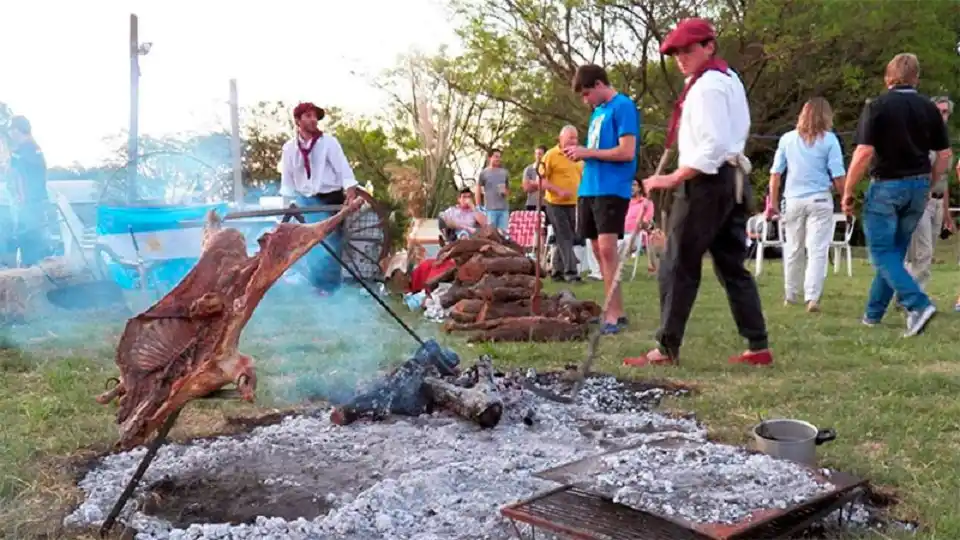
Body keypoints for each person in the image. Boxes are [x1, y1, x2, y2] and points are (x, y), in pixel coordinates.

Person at [629, 17, 771, 367]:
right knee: (730, 265)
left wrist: (673, 178)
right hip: (732, 181)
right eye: (676, 52)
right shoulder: (728, 78)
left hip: (707, 183)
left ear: (709, 46)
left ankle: (666, 348)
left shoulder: (708, 86)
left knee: (677, 263)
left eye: (688, 50)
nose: (681, 57)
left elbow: (712, 146)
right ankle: (758, 344)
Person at [841, 53, 951, 336]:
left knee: (880, 252)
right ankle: (872, 314)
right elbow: (944, 154)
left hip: (887, 186)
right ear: (916, 78)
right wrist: (931, 184)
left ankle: (917, 303)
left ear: (888, 77)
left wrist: (848, 189)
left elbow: (864, 152)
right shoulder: (929, 108)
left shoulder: (877, 106)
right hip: (918, 186)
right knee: (895, 252)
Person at [564, 64, 639, 334]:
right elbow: (594, 150)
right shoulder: (597, 113)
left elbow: (626, 151)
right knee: (597, 252)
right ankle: (610, 309)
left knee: (608, 250)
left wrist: (588, 153)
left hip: (612, 187)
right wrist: (579, 153)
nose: (586, 100)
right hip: (589, 188)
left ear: (598, 84)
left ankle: (616, 314)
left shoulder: (623, 106)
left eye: (587, 94)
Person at [767, 97, 846, 312]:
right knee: (817, 249)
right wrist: (846, 197)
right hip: (820, 198)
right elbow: (838, 174)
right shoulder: (829, 140)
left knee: (793, 248)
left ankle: (790, 294)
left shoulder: (787, 140)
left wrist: (772, 203)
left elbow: (775, 174)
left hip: (793, 200)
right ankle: (812, 297)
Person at [279, 102, 358, 292]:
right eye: (308, 116)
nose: (313, 120)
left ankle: (331, 288)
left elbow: (342, 167)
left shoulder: (328, 142)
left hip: (330, 198)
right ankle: (316, 285)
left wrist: (350, 189)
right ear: (298, 121)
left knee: (332, 242)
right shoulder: (289, 148)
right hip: (305, 200)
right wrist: (287, 203)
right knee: (310, 243)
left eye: (315, 116)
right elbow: (287, 177)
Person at [905, 96, 954, 292]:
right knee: (921, 252)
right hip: (922, 199)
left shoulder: (945, 142)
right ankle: (915, 297)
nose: (941, 115)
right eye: (938, 111)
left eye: (945, 112)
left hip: (938, 202)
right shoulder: (923, 138)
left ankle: (909, 294)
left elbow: (944, 179)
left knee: (927, 251)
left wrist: (947, 212)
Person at [541, 125, 584, 282]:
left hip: (573, 203)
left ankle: (557, 271)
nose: (573, 141)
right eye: (570, 138)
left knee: (565, 235)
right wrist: (558, 190)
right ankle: (571, 272)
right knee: (565, 234)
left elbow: (581, 177)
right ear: (561, 139)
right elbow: (542, 180)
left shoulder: (578, 157)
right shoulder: (551, 155)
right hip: (554, 202)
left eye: (575, 138)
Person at [7, 116, 51, 266]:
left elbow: (18, 175)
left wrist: (21, 198)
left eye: (12, 129)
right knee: (33, 240)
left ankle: (30, 270)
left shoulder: (22, 151)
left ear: (18, 130)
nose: (10, 133)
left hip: (29, 204)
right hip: (35, 203)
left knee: (29, 240)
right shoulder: (35, 149)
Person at [476, 149, 511, 231]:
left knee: (503, 234)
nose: (498, 159)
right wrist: (478, 207)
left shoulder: (505, 172)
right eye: (496, 157)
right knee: (491, 233)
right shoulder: (484, 173)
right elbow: (478, 189)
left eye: (499, 157)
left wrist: (505, 192)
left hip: (504, 209)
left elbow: (508, 191)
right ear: (489, 158)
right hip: (490, 210)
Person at [522, 145, 548, 211]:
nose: (537, 156)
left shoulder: (549, 169)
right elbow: (526, 188)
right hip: (531, 204)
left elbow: (548, 186)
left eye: (540, 154)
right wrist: (540, 184)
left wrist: (532, 183)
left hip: (546, 204)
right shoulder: (528, 169)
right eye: (536, 153)